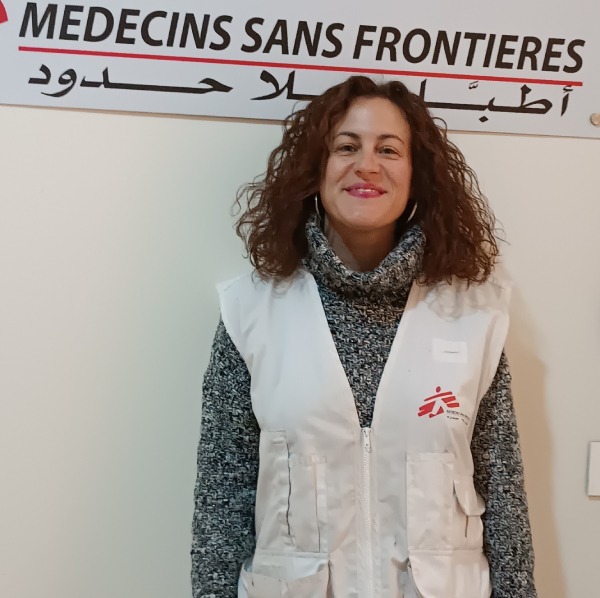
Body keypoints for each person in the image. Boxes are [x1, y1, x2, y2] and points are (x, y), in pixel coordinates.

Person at [191, 75, 536, 597]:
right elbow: (222, 500)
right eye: (346, 147)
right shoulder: (251, 312)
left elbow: (503, 495)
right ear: (315, 170)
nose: (367, 166)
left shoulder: (473, 316)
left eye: (389, 150)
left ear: (417, 176)